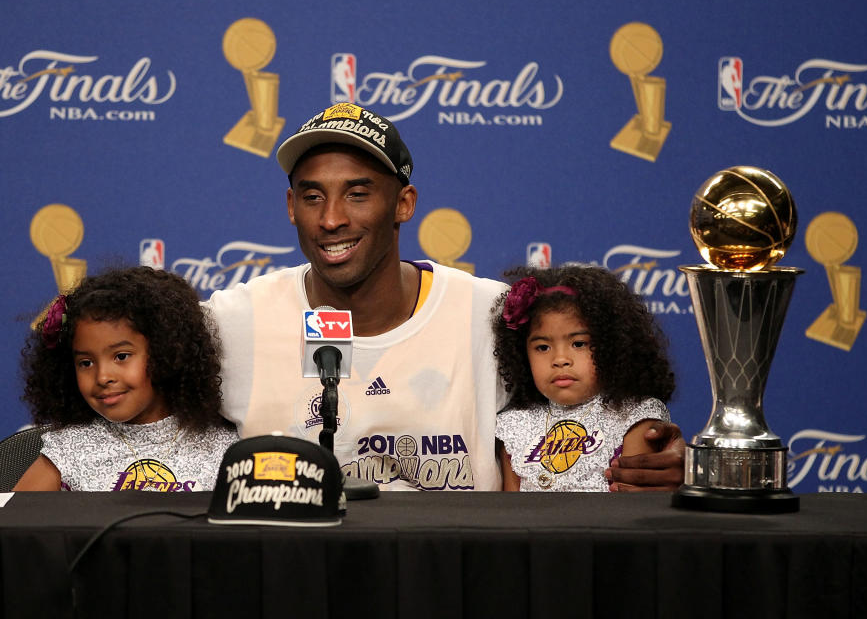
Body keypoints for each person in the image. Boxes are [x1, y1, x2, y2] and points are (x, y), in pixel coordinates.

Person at [206, 102, 685, 491]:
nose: (331, 219)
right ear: (291, 207)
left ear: (405, 203)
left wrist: (654, 453)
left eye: (357, 194)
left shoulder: (492, 316)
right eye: (312, 197)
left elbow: (592, 409)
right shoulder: (234, 321)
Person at [14, 267, 238, 492]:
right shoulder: (67, 450)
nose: (102, 377)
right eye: (86, 363)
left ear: (167, 353)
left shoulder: (225, 448)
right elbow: (9, 521)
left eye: (121, 356)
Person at [493, 266, 676, 491]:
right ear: (521, 354)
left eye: (578, 344)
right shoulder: (513, 425)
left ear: (612, 346)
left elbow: (634, 506)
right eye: (543, 347)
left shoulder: (636, 417)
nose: (560, 359)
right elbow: (509, 513)